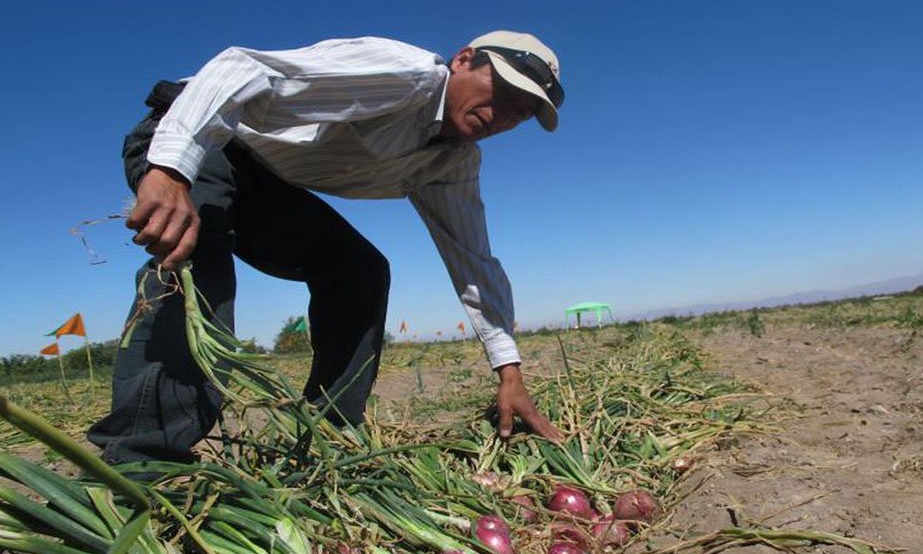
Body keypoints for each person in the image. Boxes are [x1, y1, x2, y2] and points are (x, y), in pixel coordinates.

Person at [87, 30, 566, 465]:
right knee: (193, 248)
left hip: (262, 182)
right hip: (196, 131)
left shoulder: (453, 163)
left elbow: (474, 262)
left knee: (360, 271)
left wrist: (509, 371)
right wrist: (171, 168)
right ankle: (141, 456)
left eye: (521, 113)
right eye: (503, 92)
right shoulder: (406, 75)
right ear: (463, 60)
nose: (504, 115)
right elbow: (242, 67)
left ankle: (328, 436)